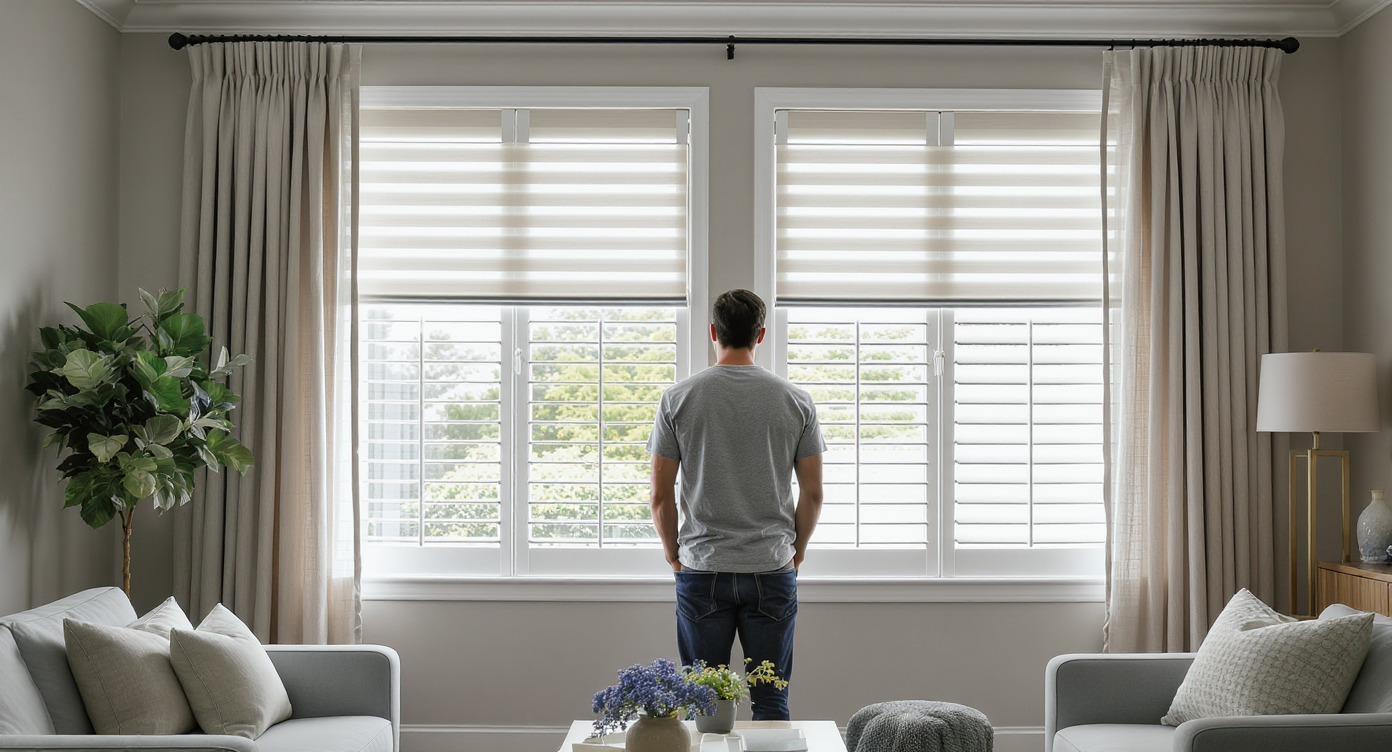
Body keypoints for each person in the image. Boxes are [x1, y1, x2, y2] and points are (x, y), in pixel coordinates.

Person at [646, 289, 825, 721]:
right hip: (771, 568)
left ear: (713, 332)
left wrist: (674, 555)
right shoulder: (796, 401)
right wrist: (794, 553)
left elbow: (659, 495)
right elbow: (814, 494)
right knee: (771, 702)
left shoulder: (678, 399)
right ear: (760, 334)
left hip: (702, 569)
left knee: (700, 704)